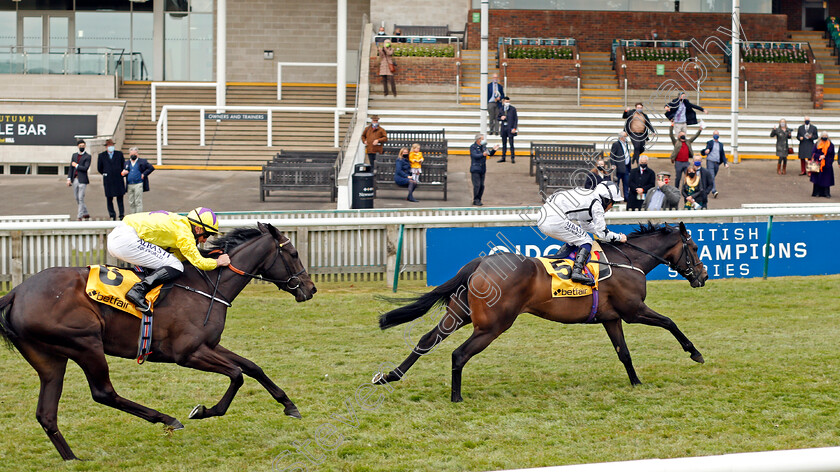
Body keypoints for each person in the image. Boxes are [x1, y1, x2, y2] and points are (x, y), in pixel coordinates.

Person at [107, 207, 230, 314]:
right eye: (206, 235)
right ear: (198, 229)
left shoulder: (181, 223)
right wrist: (218, 262)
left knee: (170, 262)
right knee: (176, 266)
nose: (204, 240)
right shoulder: (185, 233)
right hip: (126, 240)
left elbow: (178, 254)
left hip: (122, 235)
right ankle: (138, 291)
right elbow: (199, 262)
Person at [537, 181, 626, 286]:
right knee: (586, 240)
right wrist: (619, 237)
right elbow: (602, 234)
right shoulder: (597, 205)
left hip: (544, 216)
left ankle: (559, 261)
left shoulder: (589, 196)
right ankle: (577, 272)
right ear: (606, 200)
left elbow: (586, 225)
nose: (612, 206)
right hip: (553, 219)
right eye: (613, 202)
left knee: (576, 239)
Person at [97, 138, 126, 221]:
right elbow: (100, 168)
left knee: (120, 198)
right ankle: (112, 214)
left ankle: (121, 214)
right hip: (108, 179)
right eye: (109, 146)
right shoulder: (102, 155)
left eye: (112, 146)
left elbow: (122, 165)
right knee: (109, 198)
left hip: (118, 179)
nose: (110, 147)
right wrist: (106, 173)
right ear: (106, 147)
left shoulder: (119, 154)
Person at [121, 147, 155, 215]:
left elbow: (151, 168)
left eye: (134, 154)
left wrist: (144, 174)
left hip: (138, 183)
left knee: (138, 201)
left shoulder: (142, 161)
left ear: (137, 154)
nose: (133, 155)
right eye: (131, 154)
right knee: (131, 201)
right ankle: (133, 215)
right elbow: (123, 171)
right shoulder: (127, 163)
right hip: (130, 184)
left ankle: (139, 215)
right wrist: (123, 173)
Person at [469, 133, 499, 206]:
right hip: (476, 168)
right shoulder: (473, 147)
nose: (483, 141)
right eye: (482, 139)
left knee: (482, 185)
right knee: (477, 185)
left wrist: (494, 150)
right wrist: (483, 154)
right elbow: (475, 155)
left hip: (482, 168)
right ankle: (475, 199)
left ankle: (479, 199)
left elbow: (489, 153)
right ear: (478, 140)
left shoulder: (484, 147)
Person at [699, 130, 729, 198]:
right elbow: (705, 150)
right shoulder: (710, 143)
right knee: (712, 176)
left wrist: (725, 163)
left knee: (711, 177)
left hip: (717, 163)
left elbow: (722, 154)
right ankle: (714, 191)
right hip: (710, 161)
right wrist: (705, 151)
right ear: (713, 135)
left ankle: (703, 186)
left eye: (717, 134)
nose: (716, 135)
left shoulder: (721, 145)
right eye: (715, 134)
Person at [67, 139, 91, 221]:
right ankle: (86, 213)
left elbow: (85, 168)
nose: (82, 147)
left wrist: (76, 165)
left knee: (81, 198)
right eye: (80, 146)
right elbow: (71, 168)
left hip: (82, 179)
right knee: (77, 198)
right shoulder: (74, 155)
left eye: (83, 146)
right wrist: (69, 178)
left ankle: (79, 216)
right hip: (75, 179)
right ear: (78, 146)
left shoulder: (88, 156)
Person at [810, 131, 835, 198]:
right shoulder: (817, 144)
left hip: (827, 165)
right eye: (823, 136)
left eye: (826, 136)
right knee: (817, 179)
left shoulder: (831, 145)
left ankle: (826, 193)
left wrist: (828, 161)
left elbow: (832, 155)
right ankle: (817, 192)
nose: (824, 137)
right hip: (818, 164)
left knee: (826, 180)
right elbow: (813, 153)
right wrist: (819, 156)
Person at [609, 131, 632, 199]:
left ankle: (626, 198)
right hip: (619, 167)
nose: (626, 138)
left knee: (626, 183)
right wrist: (613, 164)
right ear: (621, 137)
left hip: (626, 167)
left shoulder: (626, 144)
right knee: (617, 183)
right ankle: (616, 197)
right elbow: (612, 155)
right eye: (625, 137)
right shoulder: (616, 144)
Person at [497, 96, 518, 163]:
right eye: (506, 102)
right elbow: (497, 117)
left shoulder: (513, 109)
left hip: (510, 128)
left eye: (508, 102)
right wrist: (501, 118)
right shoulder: (501, 109)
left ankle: (512, 157)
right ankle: (503, 157)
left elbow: (515, 119)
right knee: (504, 144)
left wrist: (514, 128)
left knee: (511, 143)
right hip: (504, 128)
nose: (507, 103)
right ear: (503, 102)